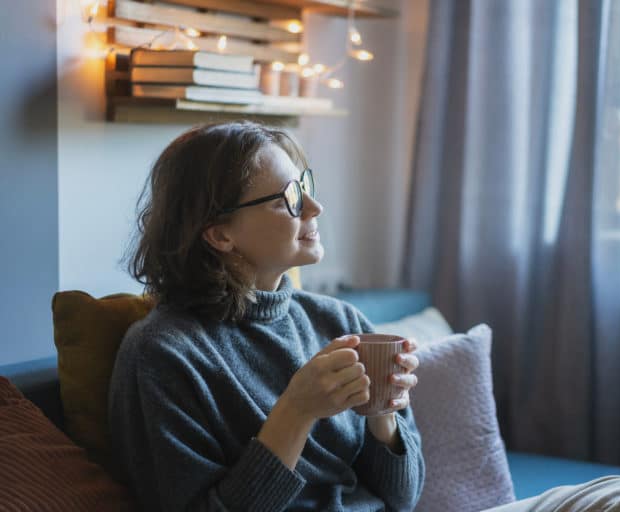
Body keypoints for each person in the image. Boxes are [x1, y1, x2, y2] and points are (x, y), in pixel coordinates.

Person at [108, 121, 425, 512]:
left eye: (305, 187)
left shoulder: (340, 321)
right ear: (220, 234)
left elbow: (404, 498)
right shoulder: (161, 355)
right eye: (289, 198)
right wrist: (296, 411)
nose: (314, 207)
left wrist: (383, 413)